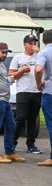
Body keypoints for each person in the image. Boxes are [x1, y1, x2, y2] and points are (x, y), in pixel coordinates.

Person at [9, 35, 43, 154]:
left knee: (32, 119)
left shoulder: (40, 57)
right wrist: (22, 71)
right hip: (23, 91)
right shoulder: (18, 58)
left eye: (34, 43)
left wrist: (40, 53)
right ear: (25, 45)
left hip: (36, 91)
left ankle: (31, 144)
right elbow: (11, 75)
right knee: (20, 117)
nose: (32, 46)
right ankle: (12, 143)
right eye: (30, 43)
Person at [33, 30, 52, 166]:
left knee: (51, 125)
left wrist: (38, 83)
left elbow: (38, 69)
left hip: (50, 92)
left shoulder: (44, 53)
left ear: (43, 41)